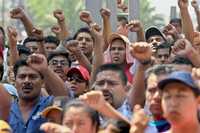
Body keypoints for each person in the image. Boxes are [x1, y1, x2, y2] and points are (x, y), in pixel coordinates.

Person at [8, 54, 67, 133]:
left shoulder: (50, 105)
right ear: (15, 81)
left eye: (32, 77)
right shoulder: (6, 110)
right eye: (22, 77)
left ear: (42, 82)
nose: (27, 81)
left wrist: (45, 69)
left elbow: (64, 97)